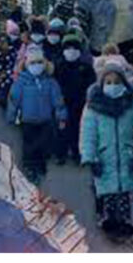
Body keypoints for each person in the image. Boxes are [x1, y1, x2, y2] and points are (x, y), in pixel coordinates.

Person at [80, 62, 133, 242]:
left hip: (126, 155)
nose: (113, 86)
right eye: (109, 82)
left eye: (117, 82)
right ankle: (109, 221)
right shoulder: (93, 107)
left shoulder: (130, 105)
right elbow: (88, 134)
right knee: (108, 192)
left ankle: (125, 221)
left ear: (124, 83)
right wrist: (90, 156)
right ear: (102, 84)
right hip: (103, 157)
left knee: (124, 191)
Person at [7, 48, 67, 185]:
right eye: (33, 63)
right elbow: (14, 100)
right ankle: (29, 167)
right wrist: (12, 115)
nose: (37, 66)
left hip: (45, 120)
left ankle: (40, 165)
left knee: (43, 144)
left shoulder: (50, 82)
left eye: (39, 62)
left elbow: (58, 100)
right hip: (27, 120)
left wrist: (61, 116)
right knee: (29, 145)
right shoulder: (21, 82)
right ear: (27, 64)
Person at [55, 33, 96, 165]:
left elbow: (92, 85)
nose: (71, 51)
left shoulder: (86, 67)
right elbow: (55, 85)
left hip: (80, 103)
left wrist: (88, 100)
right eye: (68, 48)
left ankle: (77, 153)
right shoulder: (59, 66)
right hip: (63, 103)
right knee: (61, 129)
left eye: (74, 48)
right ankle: (60, 153)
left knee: (78, 129)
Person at [0, 19, 21, 108]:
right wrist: (2, 72)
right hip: (5, 73)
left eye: (16, 34)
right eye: (13, 33)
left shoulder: (16, 45)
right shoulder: (2, 45)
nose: (15, 36)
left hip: (12, 73)